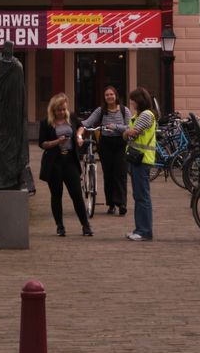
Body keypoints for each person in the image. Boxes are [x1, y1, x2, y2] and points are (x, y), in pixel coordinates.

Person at [36, 93, 92, 237]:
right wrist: (57, 142)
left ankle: (85, 225)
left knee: (77, 194)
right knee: (56, 195)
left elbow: (81, 127)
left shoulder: (71, 118)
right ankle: (60, 226)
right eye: (59, 110)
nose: (62, 112)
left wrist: (79, 137)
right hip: (54, 162)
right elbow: (42, 143)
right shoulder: (46, 123)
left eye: (63, 109)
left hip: (70, 161)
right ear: (53, 110)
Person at [82, 86, 130, 216]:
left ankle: (122, 204)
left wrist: (115, 127)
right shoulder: (101, 110)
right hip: (106, 144)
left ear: (116, 96)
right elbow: (88, 122)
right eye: (107, 95)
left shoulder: (125, 110)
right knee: (108, 174)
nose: (109, 97)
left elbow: (128, 127)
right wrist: (78, 125)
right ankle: (111, 204)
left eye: (111, 94)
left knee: (120, 173)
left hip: (120, 143)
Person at [124, 87, 159, 242]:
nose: (131, 103)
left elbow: (132, 133)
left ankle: (144, 231)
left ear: (139, 100)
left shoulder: (145, 115)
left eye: (133, 99)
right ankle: (140, 229)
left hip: (142, 159)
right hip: (139, 159)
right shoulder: (140, 114)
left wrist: (125, 133)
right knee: (139, 195)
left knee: (142, 196)